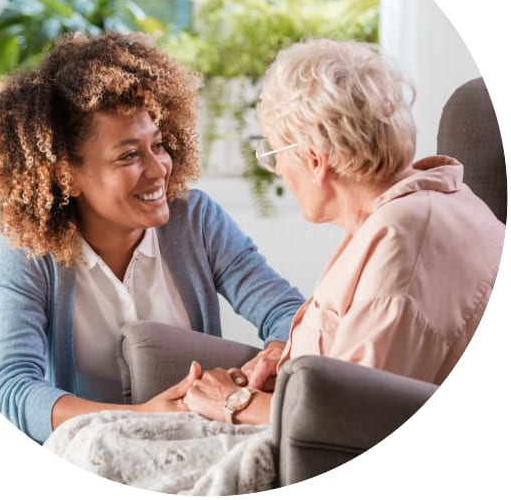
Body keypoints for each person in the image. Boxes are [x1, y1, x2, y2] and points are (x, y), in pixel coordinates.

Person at [0, 30, 306, 444]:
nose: (159, 169)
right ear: (66, 175)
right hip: (90, 454)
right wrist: (139, 417)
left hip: (200, 443)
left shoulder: (196, 220)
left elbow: (289, 315)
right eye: (129, 155)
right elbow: (9, 388)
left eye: (159, 144)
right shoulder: (27, 249)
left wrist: (273, 357)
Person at [181, 37, 505, 426]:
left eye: (274, 154)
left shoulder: (401, 242)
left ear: (315, 161)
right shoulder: (435, 200)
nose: (279, 169)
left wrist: (234, 402)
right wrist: (285, 360)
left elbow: (352, 419)